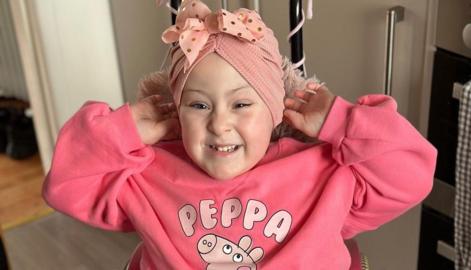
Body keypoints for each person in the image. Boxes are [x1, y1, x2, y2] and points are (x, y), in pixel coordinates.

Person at [42, 1, 438, 269]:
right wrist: (123, 128)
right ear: (175, 113)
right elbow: (66, 184)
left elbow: (411, 171)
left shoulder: (323, 171)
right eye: (198, 105)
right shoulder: (146, 175)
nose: (219, 123)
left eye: (242, 104)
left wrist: (343, 121)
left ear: (276, 109)